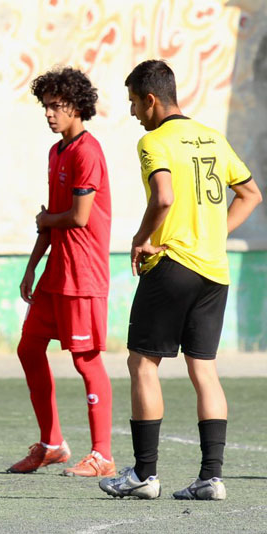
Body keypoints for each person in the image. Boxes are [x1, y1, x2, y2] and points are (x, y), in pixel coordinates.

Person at [100, 60, 262, 500]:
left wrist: (141, 238)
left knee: (142, 364)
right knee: (203, 369)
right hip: (214, 271)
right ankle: (211, 478)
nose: (133, 112)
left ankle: (144, 475)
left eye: (134, 102)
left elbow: (164, 197)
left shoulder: (154, 141)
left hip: (173, 266)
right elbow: (251, 194)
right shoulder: (213, 137)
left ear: (151, 100)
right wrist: (213, 235)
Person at [7, 67, 114, 478]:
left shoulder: (88, 151)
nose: (49, 114)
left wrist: (46, 220)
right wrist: (32, 266)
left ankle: (102, 456)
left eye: (56, 106)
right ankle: (52, 444)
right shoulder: (57, 152)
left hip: (83, 273)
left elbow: (78, 216)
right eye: (46, 106)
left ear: (77, 106)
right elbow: (51, 218)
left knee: (86, 361)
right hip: (56, 272)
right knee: (29, 348)